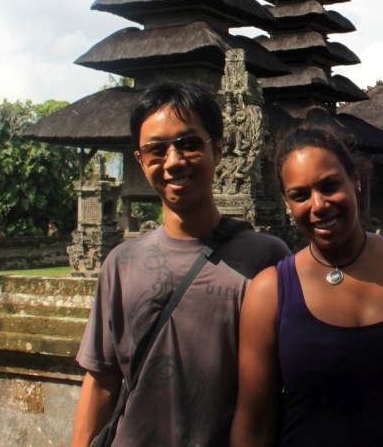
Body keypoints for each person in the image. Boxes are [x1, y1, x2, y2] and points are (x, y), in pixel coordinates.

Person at [71, 82, 291, 447]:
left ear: (219, 150)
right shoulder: (120, 264)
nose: (173, 161)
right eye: (156, 150)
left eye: (189, 144)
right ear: (140, 161)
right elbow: (100, 381)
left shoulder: (268, 259)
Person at [231, 126, 383, 447]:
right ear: (287, 203)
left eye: (330, 185)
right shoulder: (271, 291)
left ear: (355, 180)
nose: (318, 205)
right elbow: (253, 425)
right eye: (299, 195)